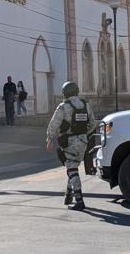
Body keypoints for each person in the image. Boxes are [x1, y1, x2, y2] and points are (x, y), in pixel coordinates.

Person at [46, 81, 97, 211]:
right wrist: (84, 134)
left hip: (69, 142)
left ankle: (79, 201)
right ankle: (68, 196)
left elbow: (54, 124)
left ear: (65, 93)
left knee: (72, 169)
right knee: (72, 166)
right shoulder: (85, 105)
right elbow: (92, 124)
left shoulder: (64, 106)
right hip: (83, 142)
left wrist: (49, 138)